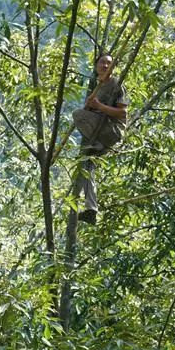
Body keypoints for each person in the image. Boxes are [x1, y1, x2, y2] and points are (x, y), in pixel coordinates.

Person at [71, 52, 128, 224]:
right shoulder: (96, 84)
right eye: (102, 62)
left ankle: (95, 143)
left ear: (112, 67)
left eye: (108, 63)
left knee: (78, 115)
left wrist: (99, 106)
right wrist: (92, 107)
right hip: (99, 131)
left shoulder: (116, 84)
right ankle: (91, 209)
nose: (105, 66)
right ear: (96, 66)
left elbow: (123, 112)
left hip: (111, 131)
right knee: (87, 165)